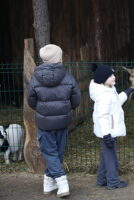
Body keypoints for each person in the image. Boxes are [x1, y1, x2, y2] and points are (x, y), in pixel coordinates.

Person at [27, 44, 81, 198]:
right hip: (63, 121)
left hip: (44, 122)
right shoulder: (68, 76)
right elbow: (76, 98)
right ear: (59, 58)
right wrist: (65, 108)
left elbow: (31, 100)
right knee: (57, 151)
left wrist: (43, 109)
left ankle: (49, 181)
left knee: (50, 152)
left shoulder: (35, 78)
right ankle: (61, 182)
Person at [89, 64, 134, 190]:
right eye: (110, 76)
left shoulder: (109, 89)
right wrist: (106, 134)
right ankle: (113, 182)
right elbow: (102, 116)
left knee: (106, 155)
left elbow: (115, 103)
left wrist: (126, 92)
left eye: (113, 74)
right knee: (111, 157)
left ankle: (102, 179)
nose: (114, 77)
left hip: (109, 130)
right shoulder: (104, 95)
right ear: (103, 78)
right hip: (108, 131)